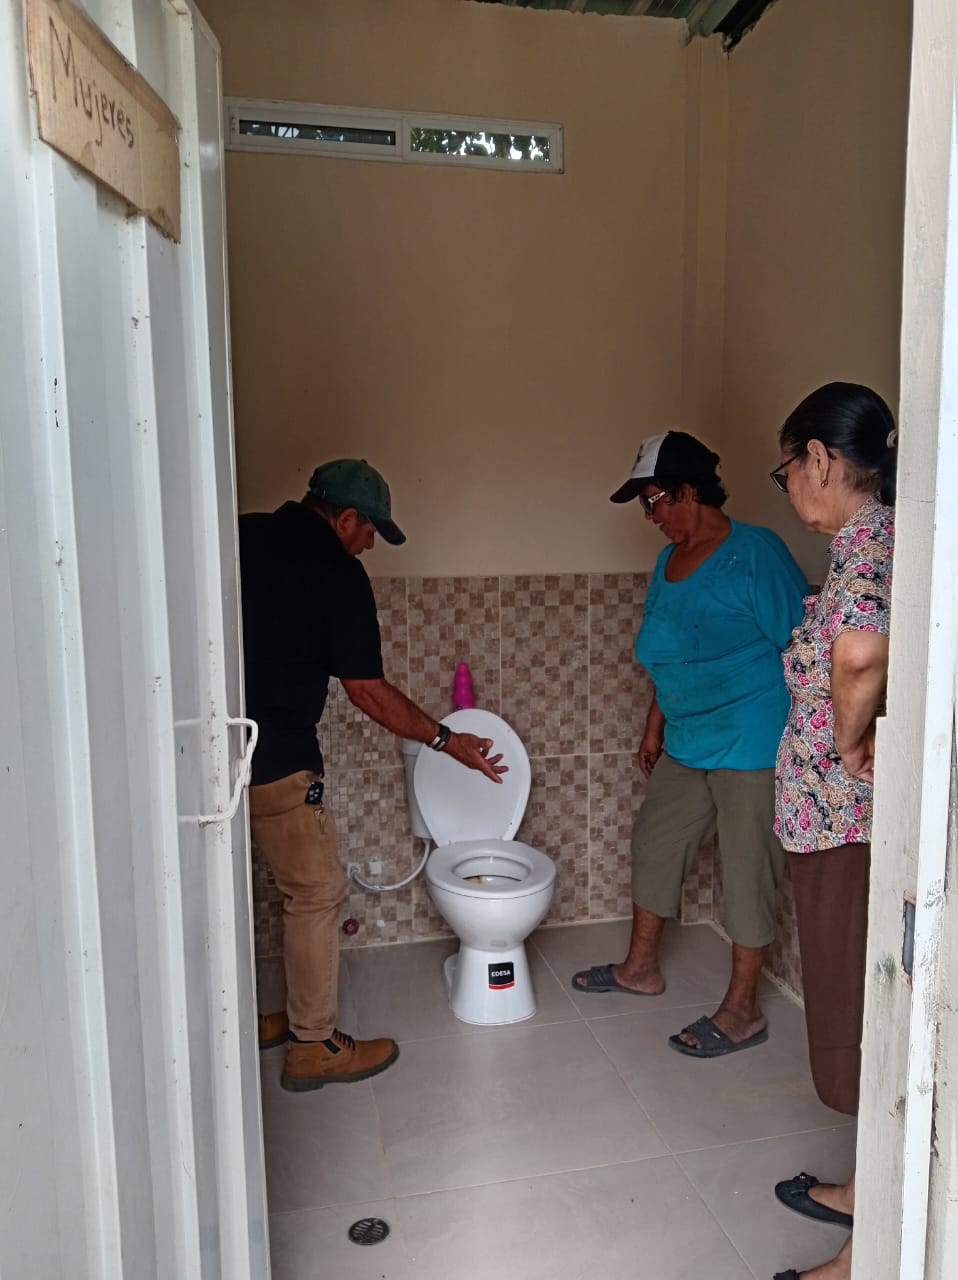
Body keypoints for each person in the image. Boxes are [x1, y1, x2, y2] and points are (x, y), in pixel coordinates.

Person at [239, 458, 505, 1092]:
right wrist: (445, 739)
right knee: (316, 892)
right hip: (277, 758)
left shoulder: (240, 535)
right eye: (370, 531)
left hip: (207, 750)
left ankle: (245, 1020)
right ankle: (314, 1045)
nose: (370, 544)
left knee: (221, 890)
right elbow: (366, 689)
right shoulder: (337, 573)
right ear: (346, 517)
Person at [572, 431, 807, 1055]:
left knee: (748, 872)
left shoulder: (755, 553)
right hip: (686, 738)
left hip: (751, 742)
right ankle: (639, 969)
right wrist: (655, 725)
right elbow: (670, 656)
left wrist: (822, 747)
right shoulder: (667, 563)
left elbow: (804, 649)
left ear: (689, 491)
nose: (649, 516)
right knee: (654, 845)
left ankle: (742, 1011)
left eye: (653, 501)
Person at [768, 382, 896, 1280]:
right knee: (856, 1014)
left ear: (818, 458)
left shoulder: (871, 546)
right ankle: (863, 1192)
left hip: (844, 825)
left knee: (861, 1023)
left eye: (785, 470)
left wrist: (849, 743)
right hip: (830, 825)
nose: (787, 488)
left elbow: (859, 652)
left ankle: (863, 1254)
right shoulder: (868, 544)